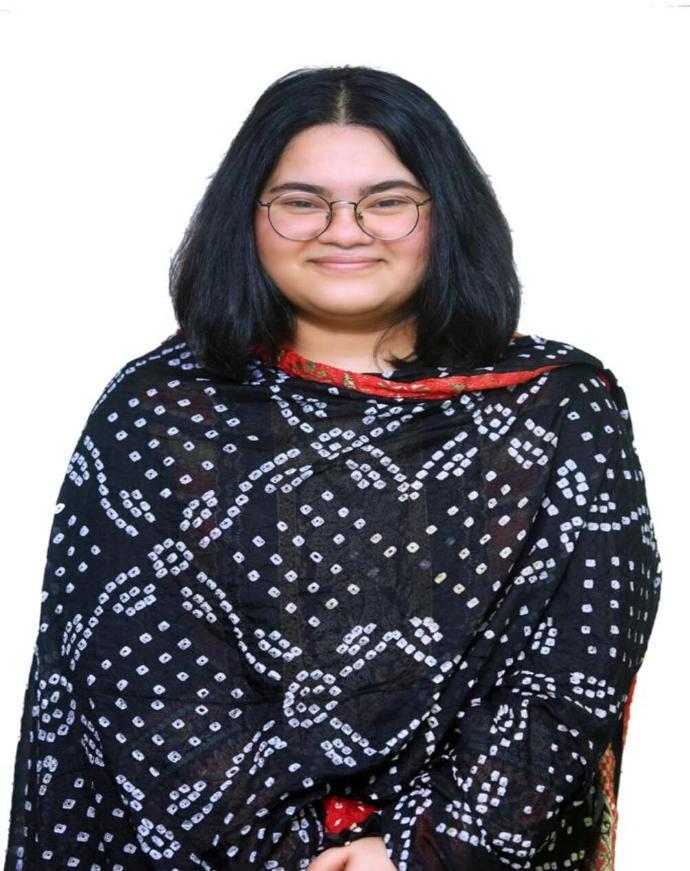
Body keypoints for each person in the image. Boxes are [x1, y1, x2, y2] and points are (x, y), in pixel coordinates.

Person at [3, 65, 661, 871]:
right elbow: (136, 674)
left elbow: (578, 663)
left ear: (446, 215)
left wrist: (421, 850)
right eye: (301, 201)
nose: (344, 230)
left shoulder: (555, 404)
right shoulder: (160, 410)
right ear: (247, 218)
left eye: (387, 201)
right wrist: (304, 853)